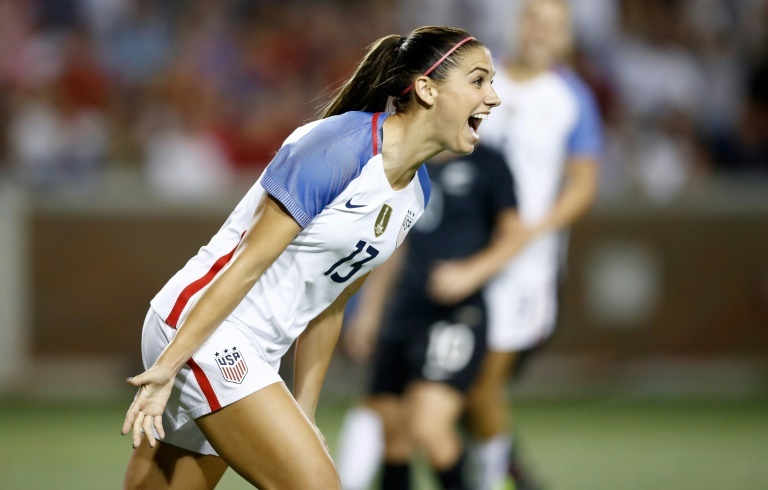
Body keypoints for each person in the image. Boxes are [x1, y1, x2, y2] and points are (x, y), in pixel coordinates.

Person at [120, 26, 501, 490]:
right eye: (479, 81)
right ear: (425, 88)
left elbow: (331, 304)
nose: (493, 97)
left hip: (248, 348)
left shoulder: (416, 194)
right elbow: (248, 264)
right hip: (204, 328)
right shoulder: (338, 147)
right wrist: (169, 366)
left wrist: (304, 413)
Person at [467, 1, 603, 488]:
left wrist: (533, 229)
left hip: (523, 266)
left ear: (566, 36)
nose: (540, 33)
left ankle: (494, 476)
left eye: (552, 25)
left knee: (480, 383)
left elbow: (583, 183)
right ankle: (509, 471)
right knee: (453, 382)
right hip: (462, 250)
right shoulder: (480, 75)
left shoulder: (571, 98)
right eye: (533, 20)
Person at [338, 144, 523, 490]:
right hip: (403, 311)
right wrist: (369, 312)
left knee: (429, 426)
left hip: (456, 314)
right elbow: (392, 244)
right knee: (392, 434)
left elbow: (514, 234)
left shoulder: (488, 162)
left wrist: (470, 273)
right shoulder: (407, 162)